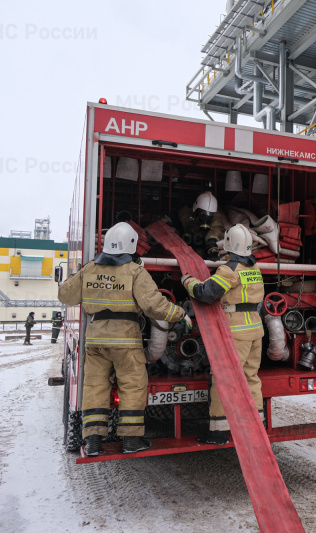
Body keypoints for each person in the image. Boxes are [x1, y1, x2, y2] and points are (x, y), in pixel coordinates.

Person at [58, 222, 191, 456]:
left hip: (96, 341)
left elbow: (65, 295)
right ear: (131, 245)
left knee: (95, 387)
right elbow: (153, 305)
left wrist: (76, 274)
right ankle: (131, 442)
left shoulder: (89, 269)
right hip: (126, 343)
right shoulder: (135, 271)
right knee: (132, 387)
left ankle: (92, 443)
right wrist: (180, 315)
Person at [182, 224, 265, 445]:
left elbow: (205, 293)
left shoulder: (229, 270)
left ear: (228, 244)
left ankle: (218, 431)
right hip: (256, 331)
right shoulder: (255, 269)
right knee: (251, 377)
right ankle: (257, 426)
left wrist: (187, 281)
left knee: (223, 379)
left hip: (236, 333)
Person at [177, 191, 229, 260]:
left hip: (204, 243)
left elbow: (217, 228)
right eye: (203, 213)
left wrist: (212, 243)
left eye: (210, 214)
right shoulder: (186, 213)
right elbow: (179, 223)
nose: (206, 217)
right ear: (196, 209)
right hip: (189, 241)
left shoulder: (216, 215)